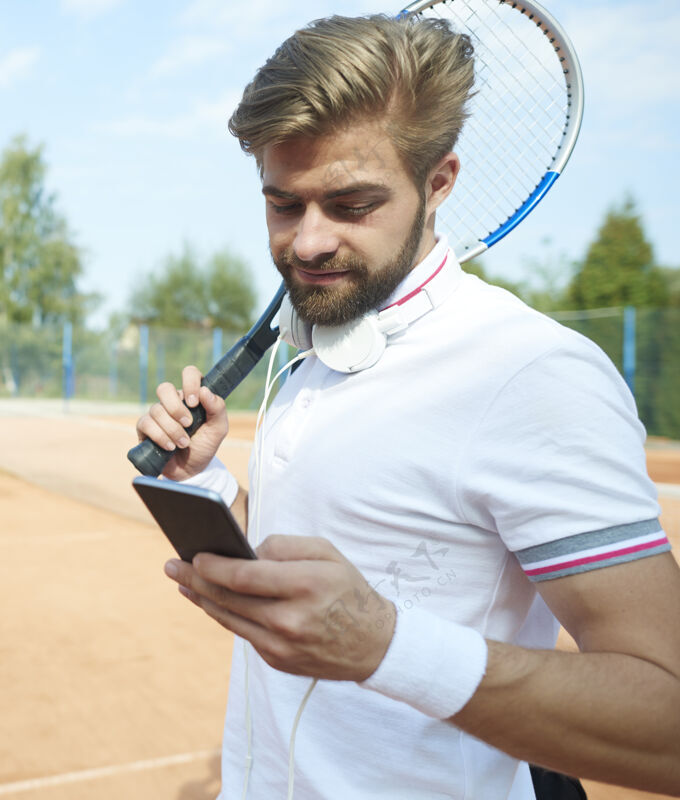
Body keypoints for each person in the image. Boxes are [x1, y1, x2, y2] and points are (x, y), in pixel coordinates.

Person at [134, 13, 680, 800]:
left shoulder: (531, 373)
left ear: (440, 182)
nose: (308, 243)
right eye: (284, 204)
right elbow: (324, 569)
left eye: (351, 203)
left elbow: (666, 720)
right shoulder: (319, 348)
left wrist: (386, 646)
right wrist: (209, 479)